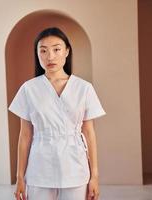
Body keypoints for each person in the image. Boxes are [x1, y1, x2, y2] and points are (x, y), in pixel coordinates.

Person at [8, 27, 106, 200]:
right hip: (40, 167)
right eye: (43, 51)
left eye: (56, 49)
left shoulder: (84, 88)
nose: (50, 56)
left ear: (67, 51)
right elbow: (25, 135)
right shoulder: (29, 89)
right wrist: (20, 178)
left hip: (75, 166)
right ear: (37, 54)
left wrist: (95, 177)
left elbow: (89, 133)